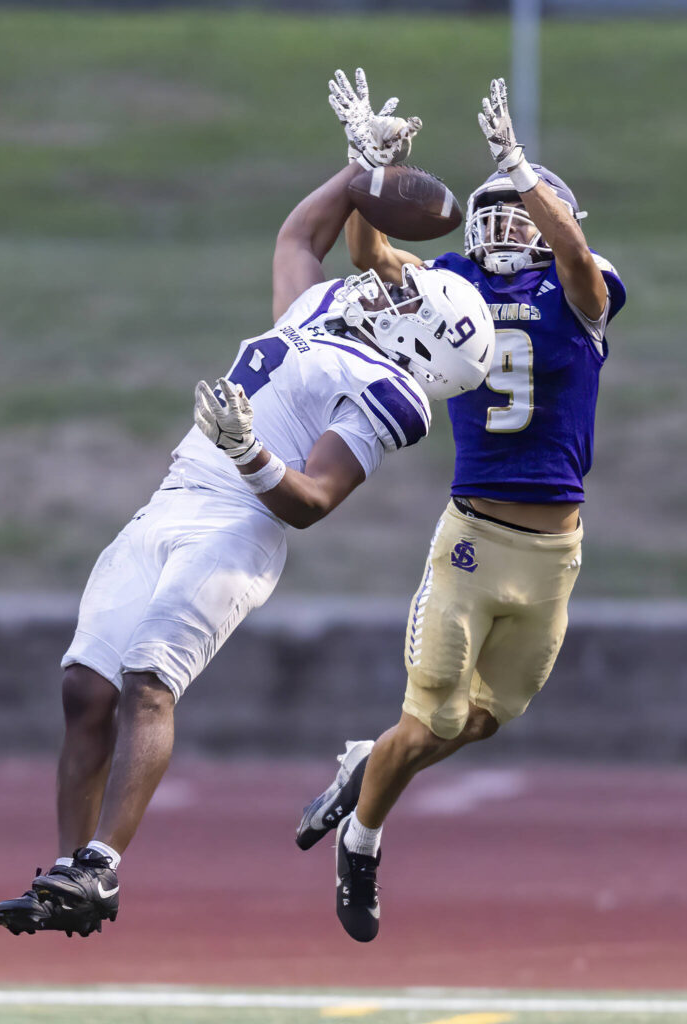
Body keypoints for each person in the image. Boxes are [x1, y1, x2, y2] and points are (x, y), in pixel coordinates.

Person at [0, 108, 495, 938]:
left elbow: (311, 500)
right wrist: (358, 165)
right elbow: (299, 237)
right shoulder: (325, 311)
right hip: (172, 498)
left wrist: (249, 450)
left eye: (407, 288)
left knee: (150, 680)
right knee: (84, 688)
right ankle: (66, 873)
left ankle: (104, 870)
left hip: (239, 522)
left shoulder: (392, 394)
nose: (391, 276)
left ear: (424, 340)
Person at [296, 72, 626, 943]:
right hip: (473, 538)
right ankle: (363, 839)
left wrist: (519, 166)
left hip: (554, 551)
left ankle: (366, 764)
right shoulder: (454, 284)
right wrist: (370, 174)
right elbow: (369, 257)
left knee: (486, 718)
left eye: (520, 208)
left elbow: (577, 263)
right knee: (433, 712)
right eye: (495, 208)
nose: (501, 221)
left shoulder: (581, 292)